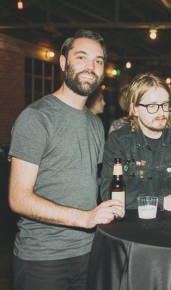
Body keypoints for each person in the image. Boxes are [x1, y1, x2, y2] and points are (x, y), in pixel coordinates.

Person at [8, 29, 124, 290]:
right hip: (42, 259)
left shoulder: (95, 124)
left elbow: (93, 185)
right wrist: (83, 218)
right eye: (81, 57)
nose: (90, 67)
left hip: (87, 252)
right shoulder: (37, 118)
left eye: (98, 61)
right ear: (63, 63)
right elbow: (18, 197)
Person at [100, 73, 171, 211]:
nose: (161, 112)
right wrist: (162, 202)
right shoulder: (118, 141)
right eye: (152, 106)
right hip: (131, 225)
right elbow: (109, 195)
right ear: (134, 109)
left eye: (165, 104)